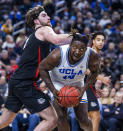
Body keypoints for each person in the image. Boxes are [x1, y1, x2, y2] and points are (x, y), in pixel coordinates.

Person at [0, 5, 73, 131]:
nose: (49, 17)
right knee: (52, 119)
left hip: (17, 81)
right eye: (44, 15)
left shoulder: (34, 37)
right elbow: (57, 40)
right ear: (36, 21)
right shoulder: (43, 30)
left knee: (6, 120)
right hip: (25, 83)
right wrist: (77, 37)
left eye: (48, 15)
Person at [39, 32, 100, 131]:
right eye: (75, 47)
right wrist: (53, 89)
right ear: (70, 45)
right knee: (61, 116)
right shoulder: (57, 54)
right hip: (57, 83)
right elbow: (42, 68)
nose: (77, 51)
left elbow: (95, 72)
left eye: (82, 49)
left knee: (83, 119)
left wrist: (83, 89)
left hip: (77, 83)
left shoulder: (92, 55)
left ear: (86, 48)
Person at [87, 32, 111, 131]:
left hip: (88, 87)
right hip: (82, 86)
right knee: (95, 116)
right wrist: (102, 79)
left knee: (89, 118)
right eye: (98, 40)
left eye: (102, 40)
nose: (101, 42)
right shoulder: (90, 52)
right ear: (93, 41)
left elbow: (91, 74)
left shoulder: (97, 55)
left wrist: (95, 88)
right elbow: (84, 70)